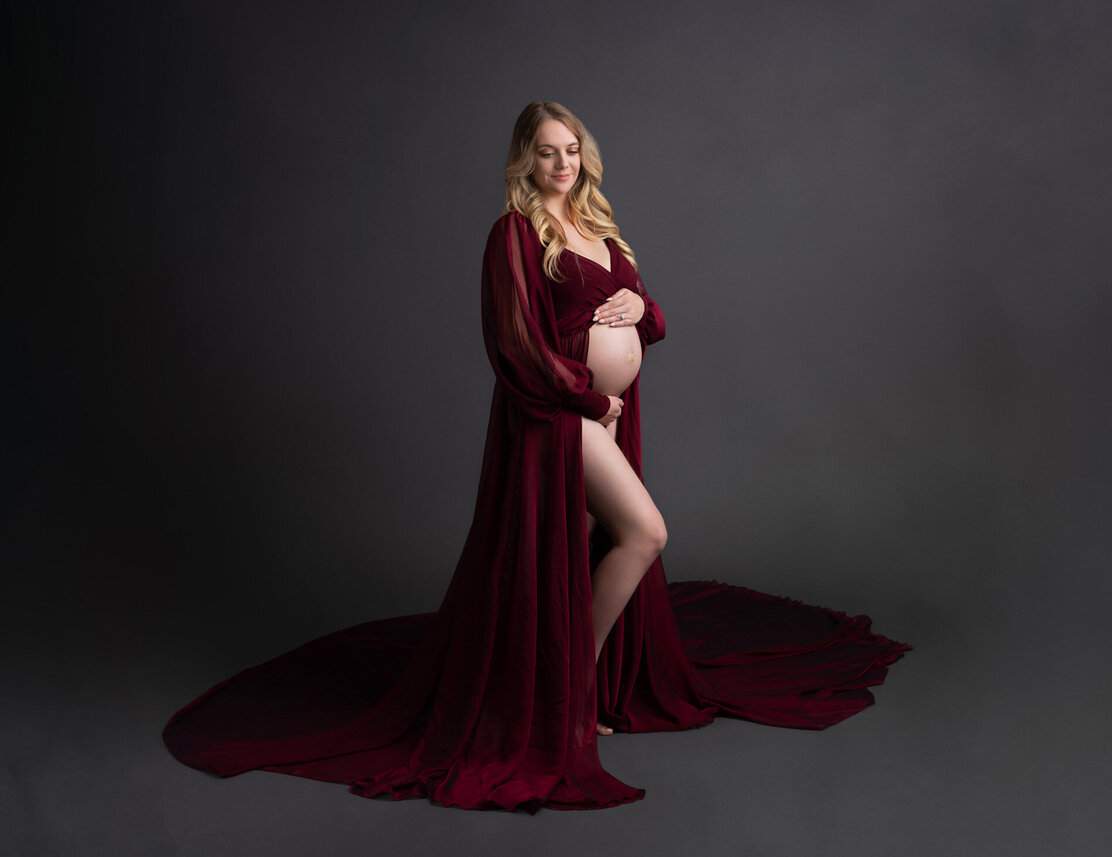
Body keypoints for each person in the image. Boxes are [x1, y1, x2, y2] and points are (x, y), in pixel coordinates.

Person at [162, 102, 910, 812]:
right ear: (526, 158)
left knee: (581, 547)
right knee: (645, 532)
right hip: (561, 414)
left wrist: (640, 312)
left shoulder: (598, 226)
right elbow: (513, 344)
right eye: (547, 151)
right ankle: (569, 695)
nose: (561, 161)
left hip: (605, 415)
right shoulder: (513, 233)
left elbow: (650, 312)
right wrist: (590, 399)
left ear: (584, 154)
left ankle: (564, 687)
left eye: (571, 148)